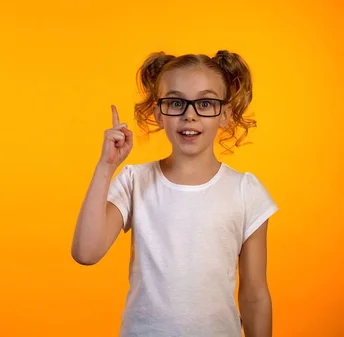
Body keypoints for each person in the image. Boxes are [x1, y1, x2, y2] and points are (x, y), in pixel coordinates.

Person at [71, 50, 278, 337]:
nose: (189, 115)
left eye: (205, 103)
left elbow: (255, 294)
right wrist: (106, 166)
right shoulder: (134, 180)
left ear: (225, 115)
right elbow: (86, 252)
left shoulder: (246, 191)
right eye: (177, 102)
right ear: (158, 114)